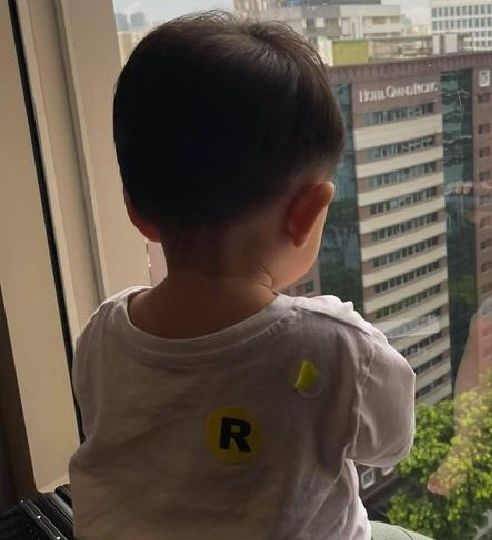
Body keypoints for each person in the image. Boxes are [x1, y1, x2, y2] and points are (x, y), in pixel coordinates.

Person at [69, 12, 423, 540]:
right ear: (307, 213)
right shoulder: (334, 346)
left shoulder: (102, 332)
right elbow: (391, 442)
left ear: (136, 209)